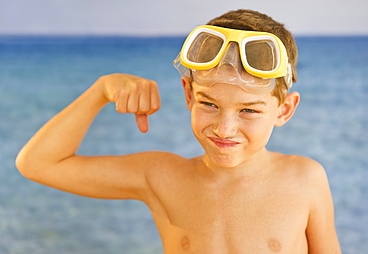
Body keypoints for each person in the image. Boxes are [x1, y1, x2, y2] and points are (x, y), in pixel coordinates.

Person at [16, 9, 341, 253]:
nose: (225, 128)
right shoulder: (162, 177)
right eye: (209, 104)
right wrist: (100, 91)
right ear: (188, 94)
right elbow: (38, 164)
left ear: (284, 110)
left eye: (249, 110)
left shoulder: (304, 179)